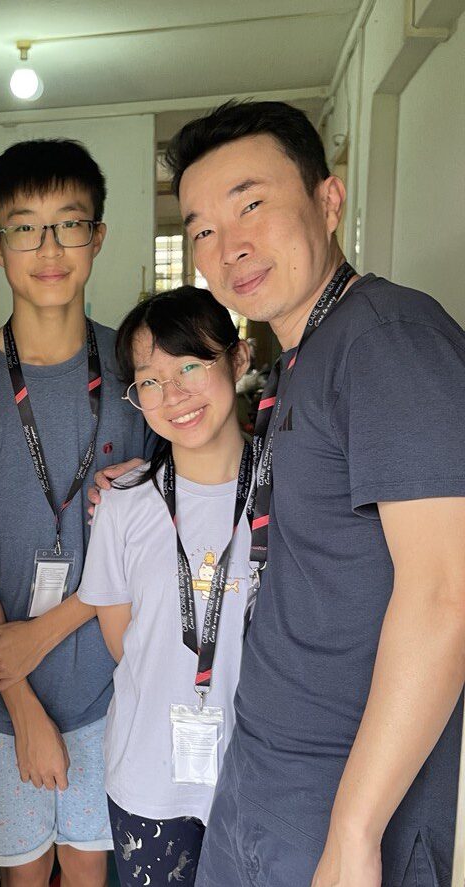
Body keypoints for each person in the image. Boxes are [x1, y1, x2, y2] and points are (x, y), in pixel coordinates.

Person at [163, 101, 465, 885]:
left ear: (328, 200)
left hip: (342, 785)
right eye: (200, 229)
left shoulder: (389, 339)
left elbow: (447, 592)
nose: (228, 247)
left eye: (252, 204)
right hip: (266, 761)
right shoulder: (304, 354)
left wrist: (356, 830)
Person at [0, 139, 148, 886]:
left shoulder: (137, 371)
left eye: (70, 223)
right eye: (25, 227)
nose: (48, 248)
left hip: (107, 681)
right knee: (23, 874)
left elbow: (155, 543)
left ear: (99, 236)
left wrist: (48, 633)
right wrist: (20, 701)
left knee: (90, 867)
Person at [78, 286, 253, 887]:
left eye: (189, 366)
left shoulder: (289, 489)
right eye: (150, 380)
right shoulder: (123, 505)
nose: (172, 393)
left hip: (258, 782)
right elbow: (123, 641)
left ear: (238, 360)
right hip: (150, 778)